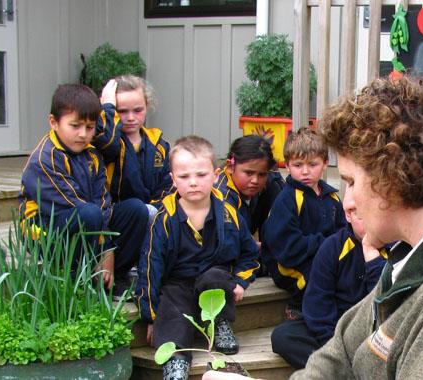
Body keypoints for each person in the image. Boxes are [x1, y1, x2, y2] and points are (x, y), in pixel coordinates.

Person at [205, 76, 423, 379]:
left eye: (351, 182)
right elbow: (340, 354)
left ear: (393, 180)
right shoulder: (418, 253)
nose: (346, 201)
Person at [136, 135, 260, 380]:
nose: (193, 183)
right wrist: (151, 316)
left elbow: (250, 255)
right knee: (172, 310)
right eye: (184, 177)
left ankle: (220, 324)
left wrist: (239, 281)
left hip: (213, 283)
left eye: (201, 175)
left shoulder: (228, 214)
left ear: (215, 175)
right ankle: (176, 362)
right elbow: (150, 268)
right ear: (173, 180)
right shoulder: (164, 219)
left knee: (216, 277)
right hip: (178, 285)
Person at [19, 83, 148, 289]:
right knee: (89, 214)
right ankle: (79, 280)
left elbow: (102, 202)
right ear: (54, 122)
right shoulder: (45, 159)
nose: (82, 134)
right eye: (75, 126)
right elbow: (73, 206)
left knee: (136, 210)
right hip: (46, 233)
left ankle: (111, 279)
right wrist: (104, 249)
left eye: (89, 127)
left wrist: (107, 250)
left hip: (88, 222)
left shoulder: (92, 154)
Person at [270, 188, 386, 369]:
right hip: (335, 329)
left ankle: (338, 369)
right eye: (362, 217)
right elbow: (318, 301)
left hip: (374, 331)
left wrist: (372, 259)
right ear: (348, 216)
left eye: (376, 216)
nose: (370, 224)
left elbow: (385, 303)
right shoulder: (332, 247)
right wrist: (333, 344)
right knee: (284, 336)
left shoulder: (394, 247)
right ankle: (342, 370)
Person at [262, 128, 346, 321]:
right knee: (317, 273)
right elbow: (286, 247)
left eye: (312, 164)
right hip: (288, 264)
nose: (305, 171)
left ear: (325, 163)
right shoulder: (287, 199)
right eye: (298, 165)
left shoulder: (331, 197)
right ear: (288, 165)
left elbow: (343, 231)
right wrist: (326, 245)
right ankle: (298, 307)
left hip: (323, 254)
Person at [93, 76, 173, 219]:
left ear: (147, 107)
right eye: (122, 111)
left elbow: (166, 185)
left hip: (153, 215)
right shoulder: (107, 142)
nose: (131, 117)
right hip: (117, 216)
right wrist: (107, 107)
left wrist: (156, 208)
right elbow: (107, 142)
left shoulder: (158, 145)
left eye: (138, 110)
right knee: (137, 209)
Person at [215, 135, 285, 264]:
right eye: (248, 173)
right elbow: (229, 247)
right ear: (230, 167)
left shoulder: (270, 181)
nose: (255, 180)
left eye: (262, 174)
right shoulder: (219, 196)